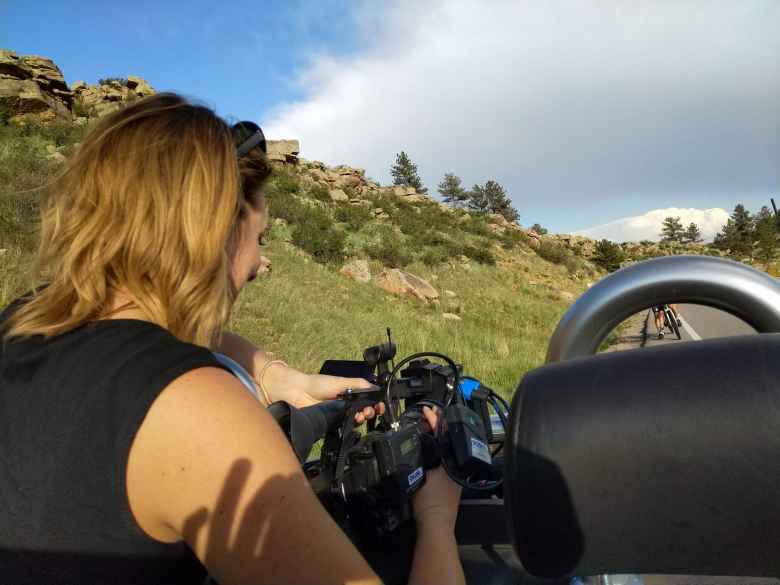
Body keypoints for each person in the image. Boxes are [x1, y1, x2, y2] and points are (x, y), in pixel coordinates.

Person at [0, 93, 465, 585]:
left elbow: (171, 334)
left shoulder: (26, 320)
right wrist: (437, 519)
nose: (255, 269)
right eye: (257, 240)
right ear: (214, 232)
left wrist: (280, 377)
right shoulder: (192, 406)